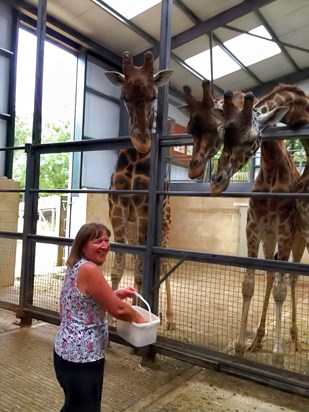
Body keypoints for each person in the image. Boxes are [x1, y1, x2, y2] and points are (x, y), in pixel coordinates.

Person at [54, 222, 146, 412]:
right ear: (83, 244)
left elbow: (83, 299)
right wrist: (139, 318)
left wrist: (117, 293)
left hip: (66, 353)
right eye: (98, 241)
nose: (105, 245)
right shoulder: (89, 269)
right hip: (82, 359)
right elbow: (119, 310)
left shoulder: (76, 265)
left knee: (73, 406)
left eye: (106, 240)